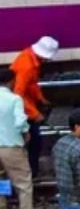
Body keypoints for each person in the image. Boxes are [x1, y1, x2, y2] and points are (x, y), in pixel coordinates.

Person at [8, 36, 55, 178]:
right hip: (20, 108)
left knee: (34, 141)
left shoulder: (31, 59)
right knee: (33, 141)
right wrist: (35, 114)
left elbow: (32, 85)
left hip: (25, 105)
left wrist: (40, 99)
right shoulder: (27, 65)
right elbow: (18, 95)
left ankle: (29, 171)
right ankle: (30, 173)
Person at [0, 65, 35, 209]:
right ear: (11, 81)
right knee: (23, 184)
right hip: (11, 147)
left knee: (0, 184)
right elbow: (20, 122)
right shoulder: (14, 99)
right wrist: (26, 133)